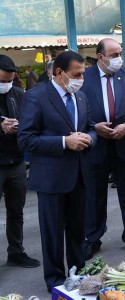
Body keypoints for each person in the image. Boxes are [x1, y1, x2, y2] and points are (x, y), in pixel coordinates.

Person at [17, 51, 96, 292]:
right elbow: (26, 140)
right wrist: (64, 141)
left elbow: (91, 127)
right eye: (77, 74)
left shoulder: (80, 96)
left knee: (77, 231)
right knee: (52, 234)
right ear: (59, 72)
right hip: (51, 179)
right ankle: (55, 282)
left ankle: (79, 276)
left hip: (79, 176)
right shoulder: (36, 97)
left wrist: (89, 138)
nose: (82, 78)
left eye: (83, 74)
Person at [81, 38, 125, 260]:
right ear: (100, 57)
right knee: (94, 195)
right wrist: (93, 127)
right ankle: (93, 238)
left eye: (120, 53)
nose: (120, 58)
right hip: (96, 146)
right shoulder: (85, 77)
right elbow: (78, 108)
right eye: (114, 54)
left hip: (124, 144)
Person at [0, 54, 40, 269]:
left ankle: (16, 252)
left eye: (9, 81)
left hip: (15, 162)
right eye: (2, 81)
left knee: (16, 211)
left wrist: (21, 126)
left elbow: (29, 118)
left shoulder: (17, 93)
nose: (6, 85)